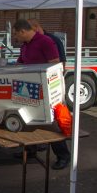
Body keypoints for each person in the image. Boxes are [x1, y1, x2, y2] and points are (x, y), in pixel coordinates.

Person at [13, 19, 71, 170]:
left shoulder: (45, 41)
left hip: (45, 90)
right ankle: (30, 150)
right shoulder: (25, 45)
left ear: (22, 31)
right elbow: (20, 63)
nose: (16, 38)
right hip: (28, 88)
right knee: (28, 119)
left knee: (50, 124)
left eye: (16, 34)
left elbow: (55, 64)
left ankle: (63, 156)